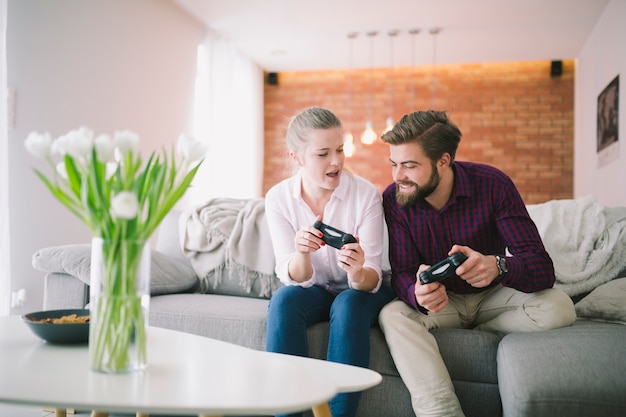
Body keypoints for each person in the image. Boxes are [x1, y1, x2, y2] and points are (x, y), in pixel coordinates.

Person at [377, 110, 577, 416]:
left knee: (559, 306)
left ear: (443, 161)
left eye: (410, 166)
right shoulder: (395, 199)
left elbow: (540, 266)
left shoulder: (493, 184)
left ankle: (481, 325)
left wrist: (499, 265)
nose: (397, 176)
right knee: (393, 315)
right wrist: (415, 293)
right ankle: (441, 412)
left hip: (492, 295)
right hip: (443, 303)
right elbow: (402, 271)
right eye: (394, 164)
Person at [265, 106, 394, 417]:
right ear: (296, 157)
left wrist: (358, 269)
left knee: (347, 304)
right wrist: (302, 253)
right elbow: (295, 277)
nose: (336, 161)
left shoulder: (365, 195)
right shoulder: (278, 199)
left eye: (339, 149)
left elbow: (373, 278)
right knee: (283, 300)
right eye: (323, 153)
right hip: (317, 288)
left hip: (364, 291)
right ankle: (288, 412)